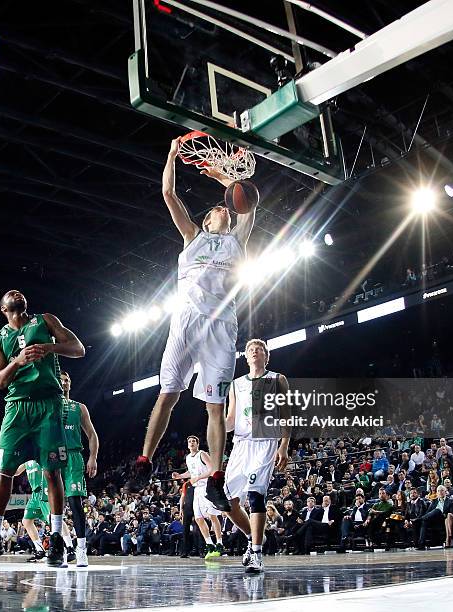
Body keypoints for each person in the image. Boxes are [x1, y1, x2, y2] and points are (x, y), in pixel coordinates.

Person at [127, 138, 257, 513]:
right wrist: (170, 154)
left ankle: (216, 478)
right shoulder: (192, 236)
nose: (224, 211)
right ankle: (144, 461)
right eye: (218, 209)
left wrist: (227, 183)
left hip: (220, 327)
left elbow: (250, 204)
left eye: (226, 209)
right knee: (168, 394)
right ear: (206, 220)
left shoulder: (237, 240)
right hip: (184, 323)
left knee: (215, 408)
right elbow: (168, 191)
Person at [0, 290, 85, 567]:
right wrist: (19, 361)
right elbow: (0, 381)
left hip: (49, 405)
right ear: (3, 308)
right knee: (5, 471)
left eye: (19, 292)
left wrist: (50, 347)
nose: (15, 292)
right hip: (17, 409)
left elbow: (78, 349)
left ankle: (57, 538)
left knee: (52, 472)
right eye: (9, 295)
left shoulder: (45, 321)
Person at [224, 339, 290, 573]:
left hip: (264, 442)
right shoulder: (235, 384)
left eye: (259, 349)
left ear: (266, 356)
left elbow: (285, 414)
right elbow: (231, 419)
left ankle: (257, 554)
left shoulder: (277, 379)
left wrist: (283, 446)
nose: (254, 351)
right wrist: (216, 421)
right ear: (245, 356)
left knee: (255, 495)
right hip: (240, 444)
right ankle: (253, 542)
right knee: (227, 503)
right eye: (250, 349)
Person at [59, 371, 99, 568]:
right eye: (60, 379)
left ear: (70, 384)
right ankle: (60, 549)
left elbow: (92, 434)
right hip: (52, 457)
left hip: (74, 457)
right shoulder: (47, 405)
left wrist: (93, 457)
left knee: (75, 503)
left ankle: (81, 549)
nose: (64, 382)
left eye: (67, 379)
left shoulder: (79, 407)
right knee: (54, 508)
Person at [172, 435, 223, 559]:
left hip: (208, 486)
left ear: (197, 444)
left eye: (194, 441)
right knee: (198, 518)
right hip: (197, 489)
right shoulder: (188, 457)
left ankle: (220, 543)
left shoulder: (202, 454)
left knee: (212, 515)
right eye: (189, 441)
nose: (191, 443)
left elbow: (212, 469)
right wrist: (179, 476)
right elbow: (191, 472)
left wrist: (198, 478)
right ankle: (210, 545)